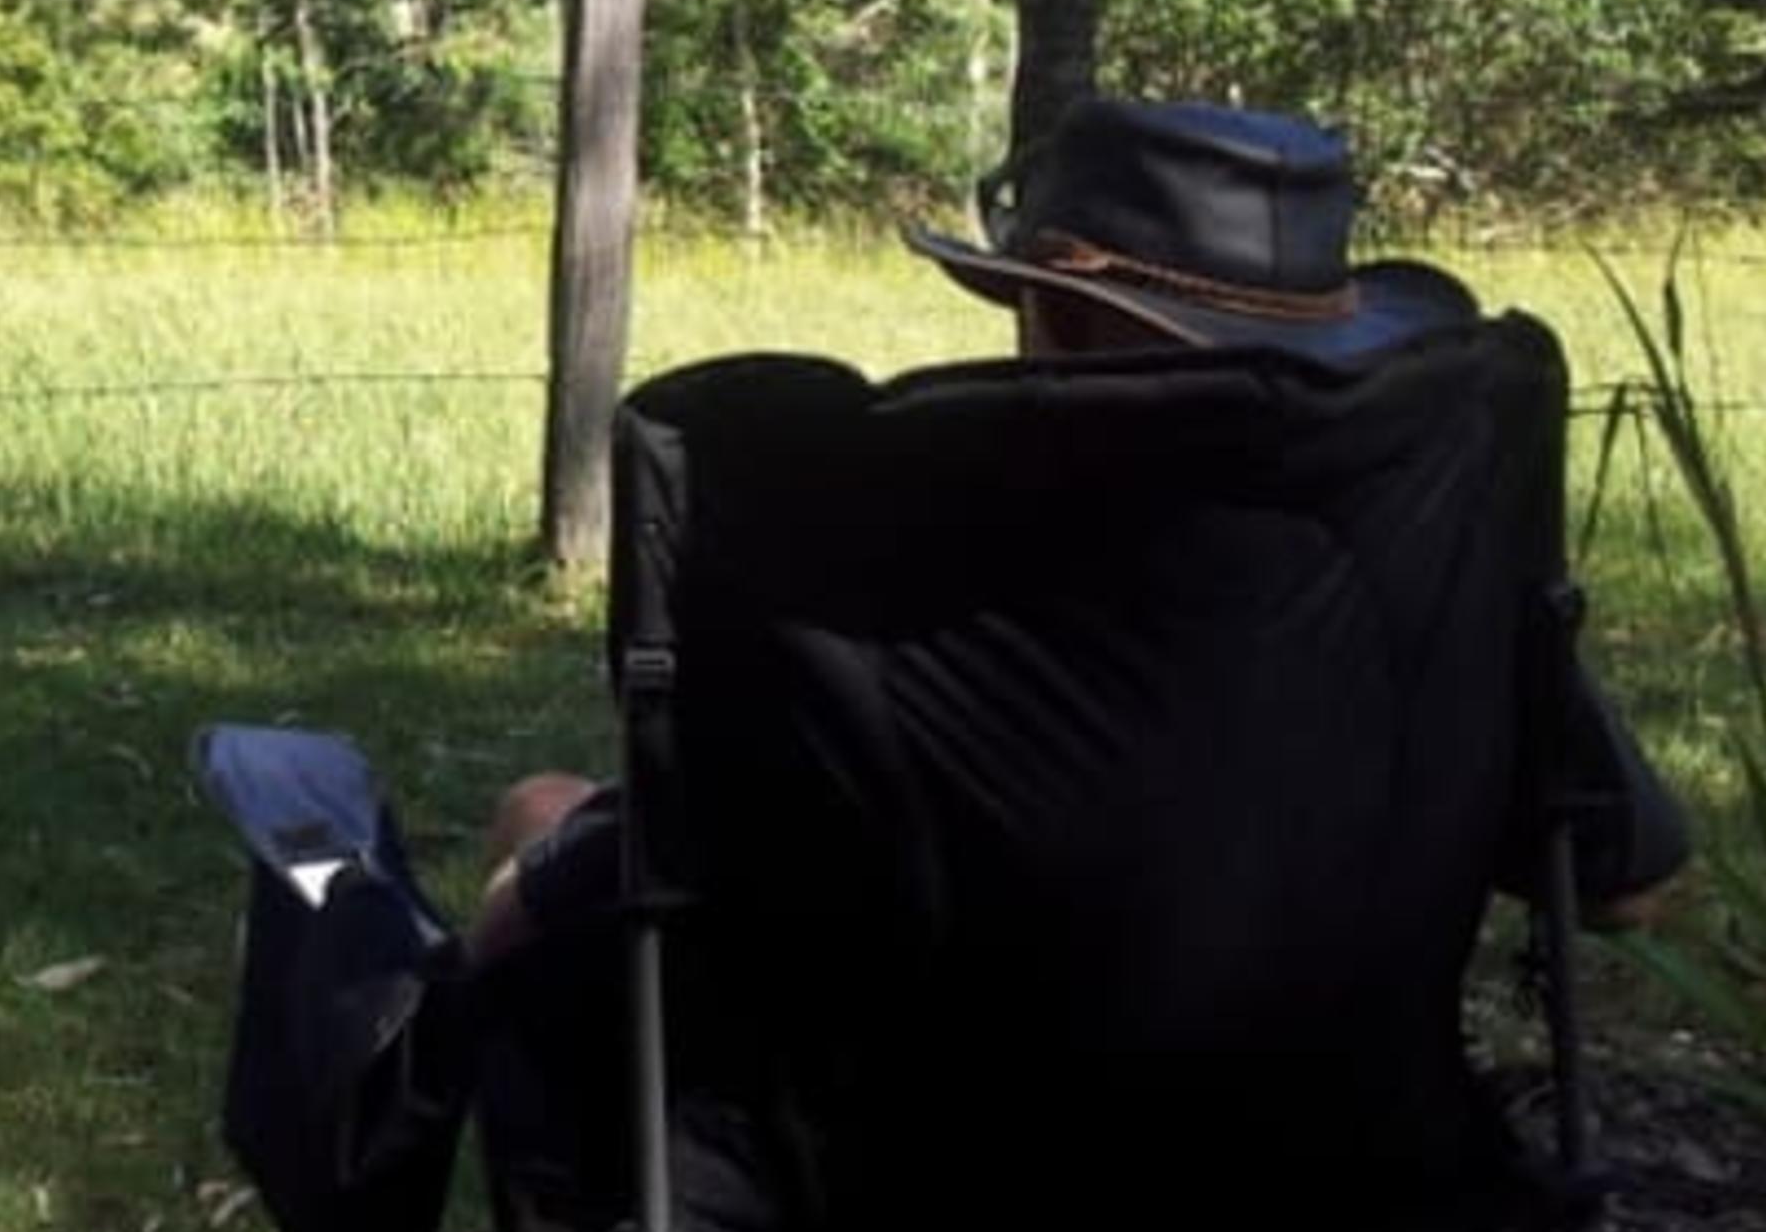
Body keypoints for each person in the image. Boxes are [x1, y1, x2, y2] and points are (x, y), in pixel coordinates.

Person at [469, 94, 1689, 960]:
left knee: (541, 819)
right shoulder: (1428, 567)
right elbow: (1633, 883)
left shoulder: (870, 562)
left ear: (1058, 319)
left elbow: (666, 877)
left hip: (902, 1182)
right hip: (1357, 1174)